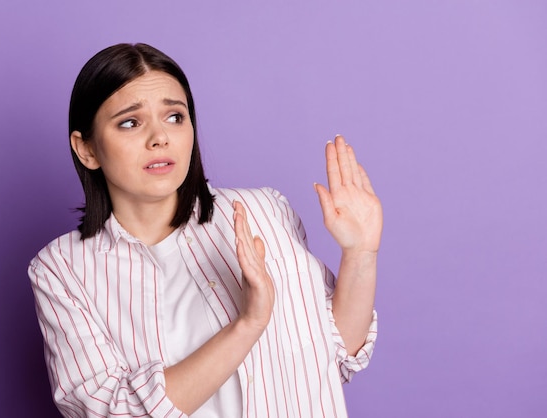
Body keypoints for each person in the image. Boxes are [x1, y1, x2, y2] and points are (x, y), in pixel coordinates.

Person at [28, 43, 382, 418]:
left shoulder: (265, 211)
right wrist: (248, 324)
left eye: (175, 117)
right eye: (130, 122)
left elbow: (338, 350)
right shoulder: (62, 270)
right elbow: (107, 410)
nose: (160, 137)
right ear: (87, 150)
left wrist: (361, 254)